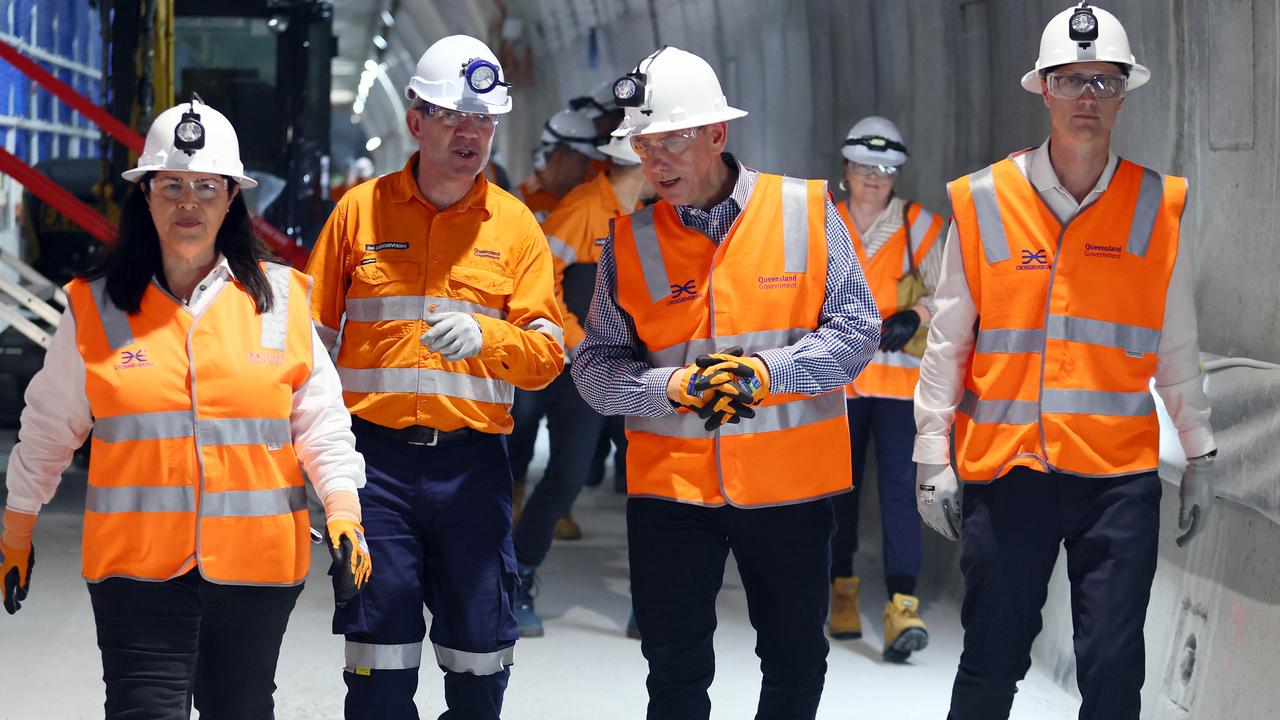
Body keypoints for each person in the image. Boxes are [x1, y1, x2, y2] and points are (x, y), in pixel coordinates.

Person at [0, 98, 371, 720]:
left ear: (232, 199)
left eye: (206, 186)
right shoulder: (96, 307)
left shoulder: (280, 300)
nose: (188, 202)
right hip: (135, 571)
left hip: (256, 568)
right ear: (145, 196)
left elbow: (322, 423)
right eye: (171, 185)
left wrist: (343, 509)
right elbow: (47, 427)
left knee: (240, 709)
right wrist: (16, 527)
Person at [913, 4, 1216, 719]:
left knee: (1113, 667)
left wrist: (1198, 452)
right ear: (1043, 88)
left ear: (1124, 93)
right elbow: (949, 340)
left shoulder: (1155, 206)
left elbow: (1176, 344)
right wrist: (932, 458)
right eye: (1072, 79)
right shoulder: (983, 201)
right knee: (991, 659)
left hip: (1117, 477)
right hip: (1009, 467)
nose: (1088, 96)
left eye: (1104, 82)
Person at [572, 46, 880, 719]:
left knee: (797, 660)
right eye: (642, 143)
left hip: (789, 490)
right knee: (674, 670)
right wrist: (672, 387)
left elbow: (858, 328)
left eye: (671, 139)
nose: (656, 159)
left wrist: (768, 373)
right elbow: (595, 366)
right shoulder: (628, 242)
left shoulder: (805, 210)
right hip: (671, 493)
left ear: (717, 134)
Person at [304, 35, 564, 720]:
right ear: (415, 120)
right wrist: (312, 472)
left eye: (483, 120)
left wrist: (492, 337)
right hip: (375, 468)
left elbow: (547, 356)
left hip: (474, 470)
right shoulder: (358, 215)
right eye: (453, 116)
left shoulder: (516, 228)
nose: (469, 133)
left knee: (480, 662)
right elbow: (306, 351)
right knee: (378, 661)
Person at [511, 135, 653, 637]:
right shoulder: (584, 207)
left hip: (638, 370)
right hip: (584, 369)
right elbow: (539, 277)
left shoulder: (654, 211)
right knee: (567, 476)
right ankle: (517, 578)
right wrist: (576, 342)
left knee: (648, 482)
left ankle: (653, 598)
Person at [827, 115, 946, 661]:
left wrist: (916, 314)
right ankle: (841, 592)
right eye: (864, 167)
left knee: (902, 493)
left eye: (886, 169)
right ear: (845, 168)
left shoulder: (921, 225)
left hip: (900, 386)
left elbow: (954, 292)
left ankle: (903, 606)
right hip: (839, 382)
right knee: (838, 491)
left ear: (897, 175)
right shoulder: (822, 219)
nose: (874, 177)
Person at [515, 108, 602, 222]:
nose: (588, 166)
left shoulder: (588, 194)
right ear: (560, 157)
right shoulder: (516, 204)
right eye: (583, 160)